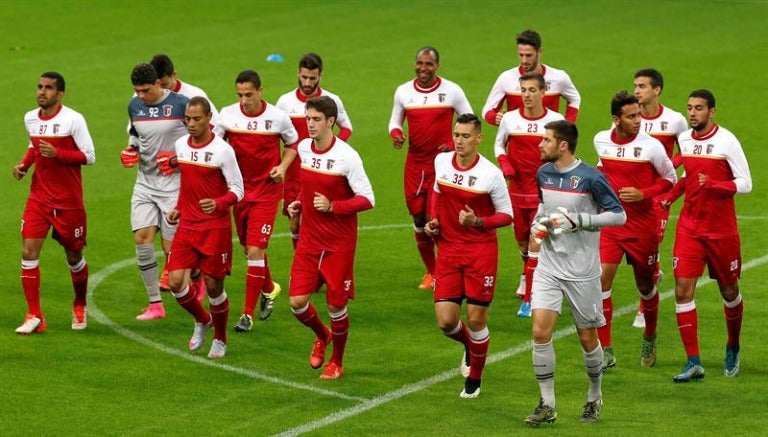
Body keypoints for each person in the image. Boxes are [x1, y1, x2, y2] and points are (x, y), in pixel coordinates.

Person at [524, 120, 626, 426]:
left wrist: (579, 221)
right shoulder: (543, 173)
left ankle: (594, 396)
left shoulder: (591, 178)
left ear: (563, 145)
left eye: (546, 140)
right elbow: (544, 209)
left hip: (582, 272)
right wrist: (538, 224)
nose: (540, 145)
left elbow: (619, 215)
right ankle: (547, 404)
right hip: (550, 267)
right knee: (541, 332)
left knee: (587, 338)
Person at [660, 89, 751, 382]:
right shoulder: (685, 140)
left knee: (729, 290)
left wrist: (714, 184)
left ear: (712, 112)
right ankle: (693, 362)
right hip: (690, 228)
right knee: (683, 290)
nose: (692, 113)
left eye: (699, 108)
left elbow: (746, 183)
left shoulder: (727, 141)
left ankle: (733, 346)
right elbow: (689, 176)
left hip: (721, 231)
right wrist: (670, 197)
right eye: (689, 108)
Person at [424, 114, 513, 398]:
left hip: (480, 253)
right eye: (456, 135)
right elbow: (437, 191)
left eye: (465, 136)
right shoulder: (442, 163)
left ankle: (474, 380)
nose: (459, 141)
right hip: (449, 251)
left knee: (476, 320)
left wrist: (479, 222)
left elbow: (507, 215)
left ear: (478, 138)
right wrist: (434, 220)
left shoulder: (490, 174)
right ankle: (469, 346)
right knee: (446, 321)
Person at [288, 96, 374, 380]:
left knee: (336, 305)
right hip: (310, 241)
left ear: (331, 122)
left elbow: (368, 199)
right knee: (297, 303)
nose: (309, 125)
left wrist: (334, 206)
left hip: (339, 244)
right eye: (307, 119)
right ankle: (322, 334)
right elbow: (308, 185)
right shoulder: (303, 148)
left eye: (315, 120)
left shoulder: (347, 156)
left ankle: (336, 361)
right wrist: (299, 202)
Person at [594, 91, 676, 370]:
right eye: (631, 116)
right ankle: (605, 350)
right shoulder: (601, 140)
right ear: (616, 119)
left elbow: (670, 180)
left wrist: (644, 193)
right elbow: (603, 167)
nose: (638, 120)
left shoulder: (651, 147)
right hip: (613, 223)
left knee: (645, 285)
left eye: (639, 114)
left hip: (642, 226)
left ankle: (650, 336)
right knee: (602, 281)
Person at [159, 96, 244, 358]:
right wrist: (179, 209)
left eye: (197, 119)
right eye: (188, 119)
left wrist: (218, 203)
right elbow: (188, 185)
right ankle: (202, 319)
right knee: (175, 283)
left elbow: (238, 191)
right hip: (187, 226)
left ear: (209, 118)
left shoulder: (222, 150)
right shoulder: (181, 145)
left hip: (215, 229)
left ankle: (220, 338)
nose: (191, 124)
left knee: (214, 286)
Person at [215, 70, 299, 330]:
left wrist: (283, 167)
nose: (244, 100)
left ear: (261, 91)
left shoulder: (277, 117)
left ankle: (247, 315)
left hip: (266, 191)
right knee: (248, 249)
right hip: (239, 190)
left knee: (255, 249)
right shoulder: (227, 115)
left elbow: (293, 144)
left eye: (249, 94)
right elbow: (214, 144)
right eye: (240, 95)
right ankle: (270, 287)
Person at [13, 72, 96, 334]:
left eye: (48, 88)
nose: (42, 91)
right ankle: (34, 315)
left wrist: (58, 153)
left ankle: (80, 304)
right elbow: (33, 145)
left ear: (60, 94)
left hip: (68, 202)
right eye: (39, 86)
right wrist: (25, 165)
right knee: (28, 252)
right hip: (38, 198)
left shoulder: (73, 119)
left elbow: (89, 156)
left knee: (74, 256)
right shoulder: (30, 118)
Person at [389, 46, 473, 289]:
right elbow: (395, 121)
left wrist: (452, 141)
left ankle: (450, 267)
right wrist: (396, 134)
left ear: (438, 66)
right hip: (415, 163)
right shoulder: (403, 92)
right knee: (417, 217)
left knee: (435, 218)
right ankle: (432, 272)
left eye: (429, 64)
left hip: (441, 164)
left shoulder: (452, 91)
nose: (423, 68)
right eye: (420, 63)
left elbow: (469, 118)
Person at [123, 63, 193, 321]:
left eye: (144, 90)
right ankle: (155, 304)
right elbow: (135, 136)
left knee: (171, 248)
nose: (140, 96)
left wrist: (176, 158)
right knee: (142, 238)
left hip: (174, 185)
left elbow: (200, 138)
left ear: (158, 84)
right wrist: (130, 151)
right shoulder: (134, 106)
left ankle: (193, 281)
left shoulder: (181, 104)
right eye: (136, 91)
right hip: (145, 182)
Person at [493, 72, 564, 314]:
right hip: (517, 192)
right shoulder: (510, 119)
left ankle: (530, 298)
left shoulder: (555, 121)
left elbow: (563, 153)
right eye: (523, 90)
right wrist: (504, 162)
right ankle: (528, 274)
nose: (527, 95)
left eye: (532, 90)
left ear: (543, 92)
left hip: (544, 194)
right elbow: (498, 143)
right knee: (523, 244)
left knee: (537, 243)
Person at [629, 68, 688, 329]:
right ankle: (655, 273)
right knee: (640, 246)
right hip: (635, 192)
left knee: (652, 241)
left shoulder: (675, 120)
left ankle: (644, 307)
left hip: (660, 191)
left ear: (657, 90)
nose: (637, 91)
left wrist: (668, 165)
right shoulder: (629, 118)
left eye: (642, 86)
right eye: (635, 86)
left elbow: (687, 150)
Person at [276, 53, 353, 249]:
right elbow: (276, 136)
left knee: (316, 224)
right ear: (298, 74)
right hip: (294, 175)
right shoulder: (285, 102)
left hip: (321, 174)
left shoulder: (331, 100)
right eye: (304, 77)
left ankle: (317, 266)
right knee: (294, 224)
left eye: (312, 78)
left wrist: (331, 149)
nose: (307, 82)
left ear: (320, 76)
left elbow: (346, 128)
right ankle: (304, 265)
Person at [482, 29, 581, 126]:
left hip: (547, 140)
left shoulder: (559, 77)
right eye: (521, 55)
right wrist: (495, 118)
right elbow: (487, 110)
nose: (524, 60)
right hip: (518, 138)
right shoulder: (506, 78)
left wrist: (567, 125)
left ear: (540, 52)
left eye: (529, 55)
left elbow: (574, 98)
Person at [150, 53, 219, 128]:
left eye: (164, 85)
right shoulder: (143, 96)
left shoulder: (194, 95)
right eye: (155, 84)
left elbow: (215, 125)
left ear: (174, 74)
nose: (160, 89)